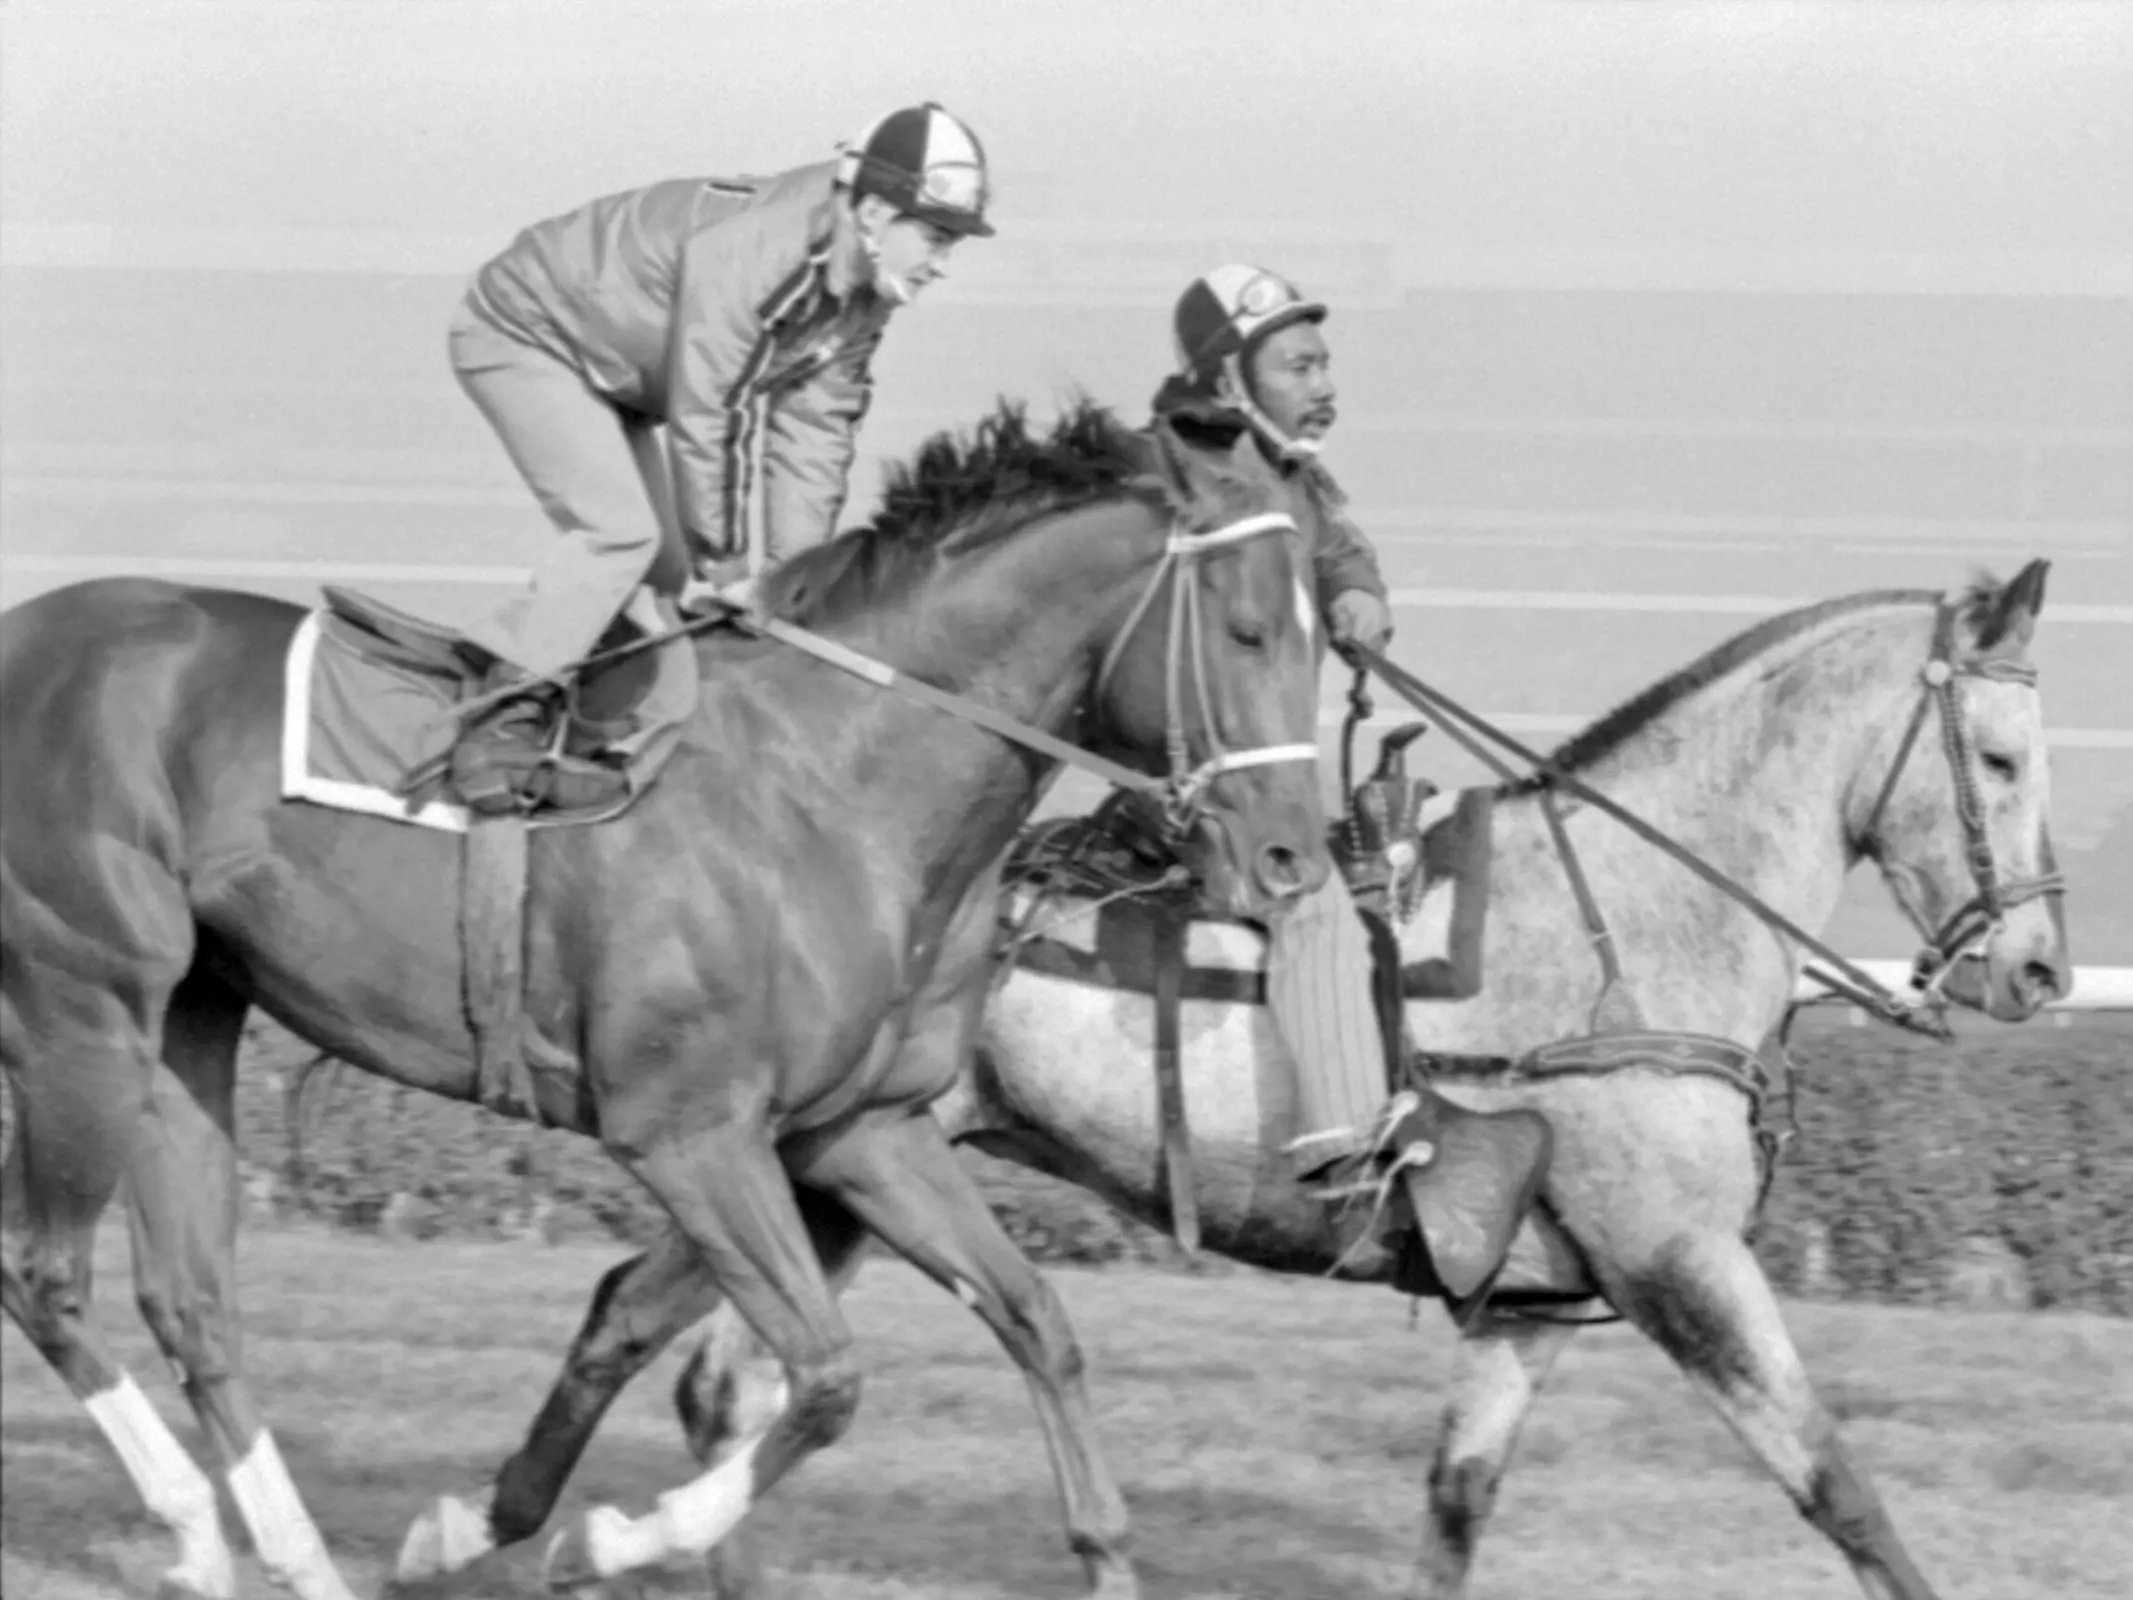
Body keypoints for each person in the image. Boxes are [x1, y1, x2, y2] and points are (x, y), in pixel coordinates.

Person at [1152, 266, 1552, 1303]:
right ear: (1228, 379)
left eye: (1326, 361)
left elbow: (1338, 542)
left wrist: (1359, 592)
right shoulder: (1203, 476)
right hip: (1202, 780)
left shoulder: (1287, 473)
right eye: (1298, 363)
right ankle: (1351, 1165)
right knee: (1317, 906)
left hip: (1264, 774)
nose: (1325, 382)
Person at [442, 102, 994, 811]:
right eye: (937, 237)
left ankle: (585, 735)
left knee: (664, 573)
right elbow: (712, 415)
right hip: (525, 336)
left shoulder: (861, 296)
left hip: (623, 377)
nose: (943, 265)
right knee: (621, 537)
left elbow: (814, 435)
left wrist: (797, 588)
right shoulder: (761, 255)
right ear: (878, 215)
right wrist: (732, 571)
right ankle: (497, 719)